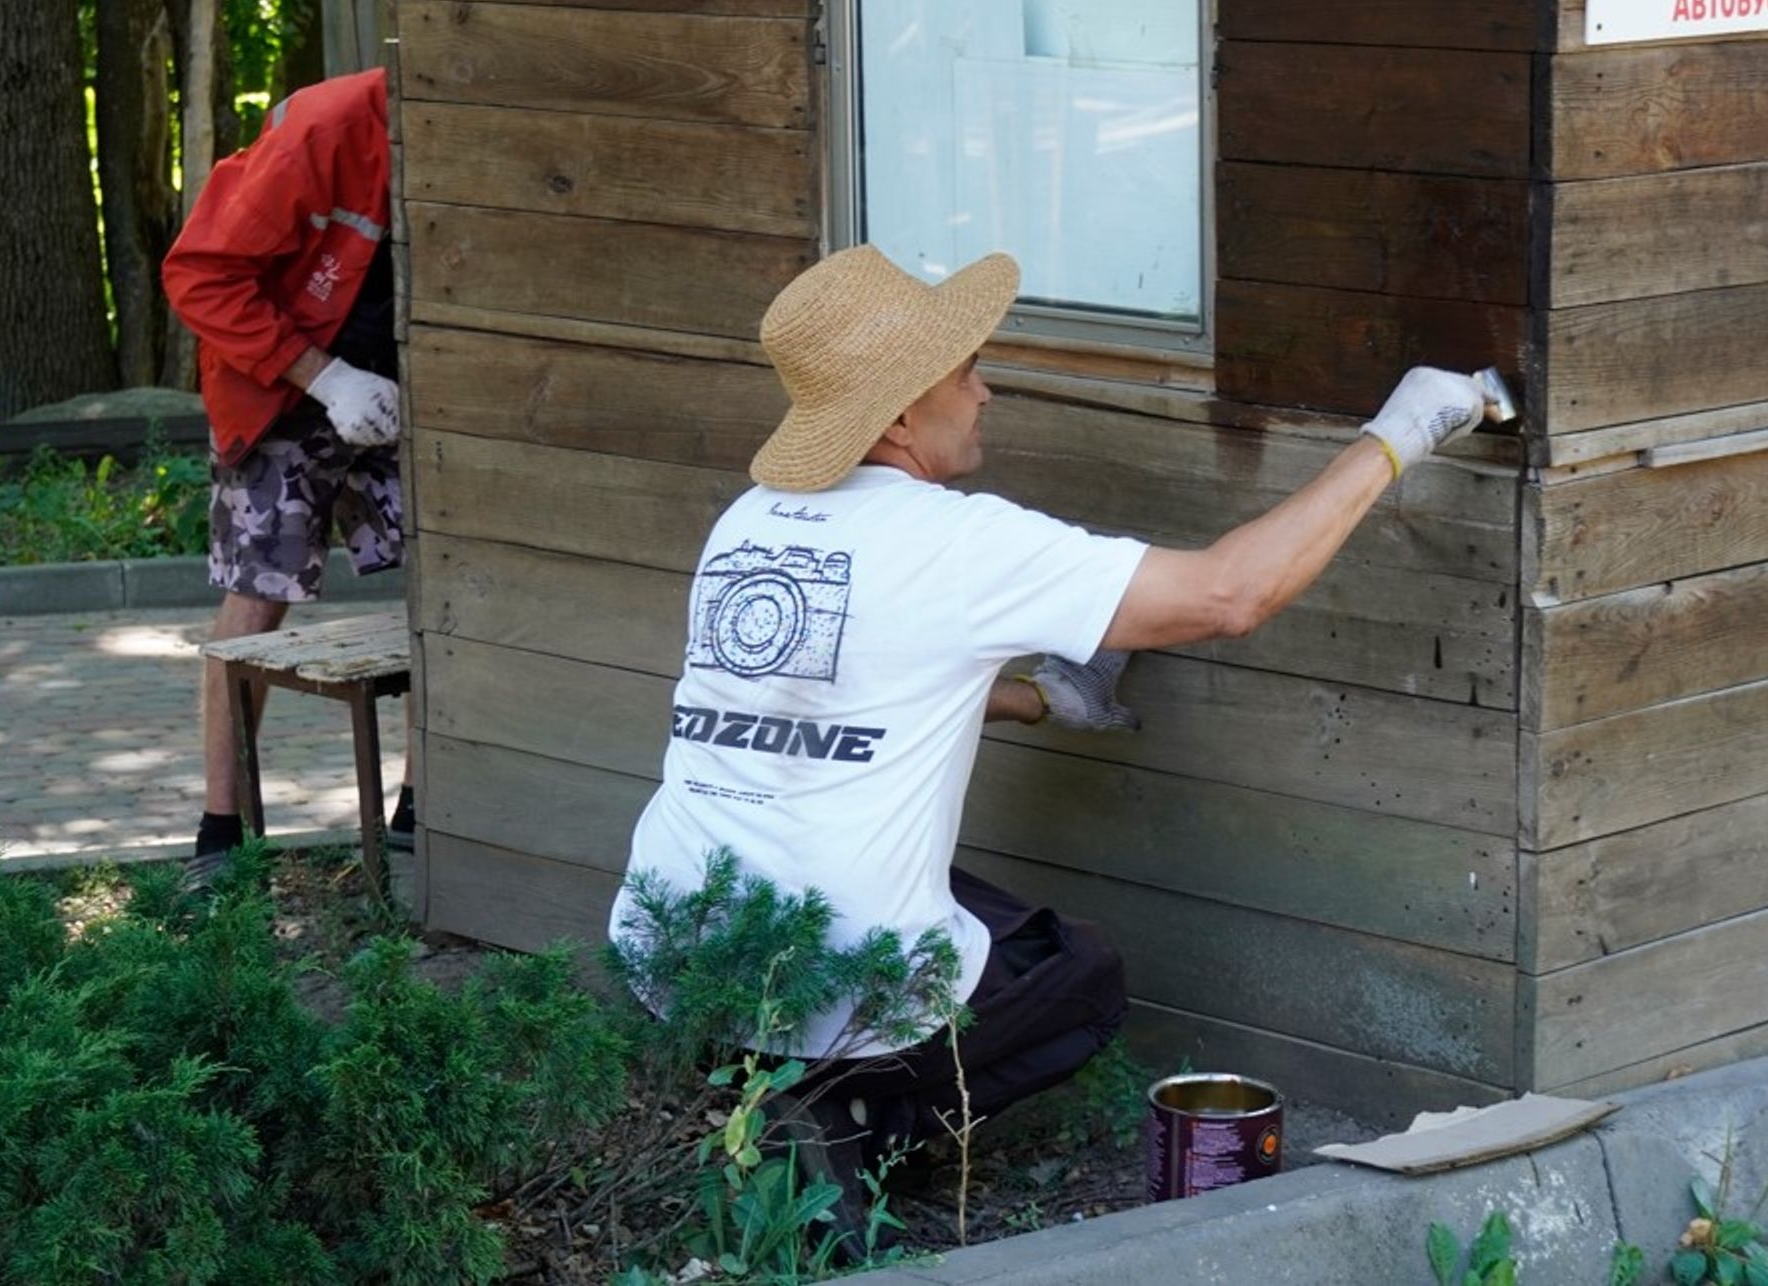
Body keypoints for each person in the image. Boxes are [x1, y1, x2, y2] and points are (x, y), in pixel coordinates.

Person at [606, 244, 1500, 1228]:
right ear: (898, 417)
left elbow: (841, 686)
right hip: (833, 983)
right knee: (1082, 979)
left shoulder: (750, 524)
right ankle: (846, 1116)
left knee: (937, 899)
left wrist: (1038, 699)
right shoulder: (956, 540)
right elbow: (1228, 594)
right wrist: (1399, 434)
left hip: (673, 953)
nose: (984, 392)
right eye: (965, 374)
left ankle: (760, 1094)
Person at [161, 67, 412, 887]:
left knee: (451, 585)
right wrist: (326, 379)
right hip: (282, 386)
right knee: (257, 595)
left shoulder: (492, 122)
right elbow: (199, 275)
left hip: (413, 384)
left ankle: (423, 814)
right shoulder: (325, 130)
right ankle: (221, 837)